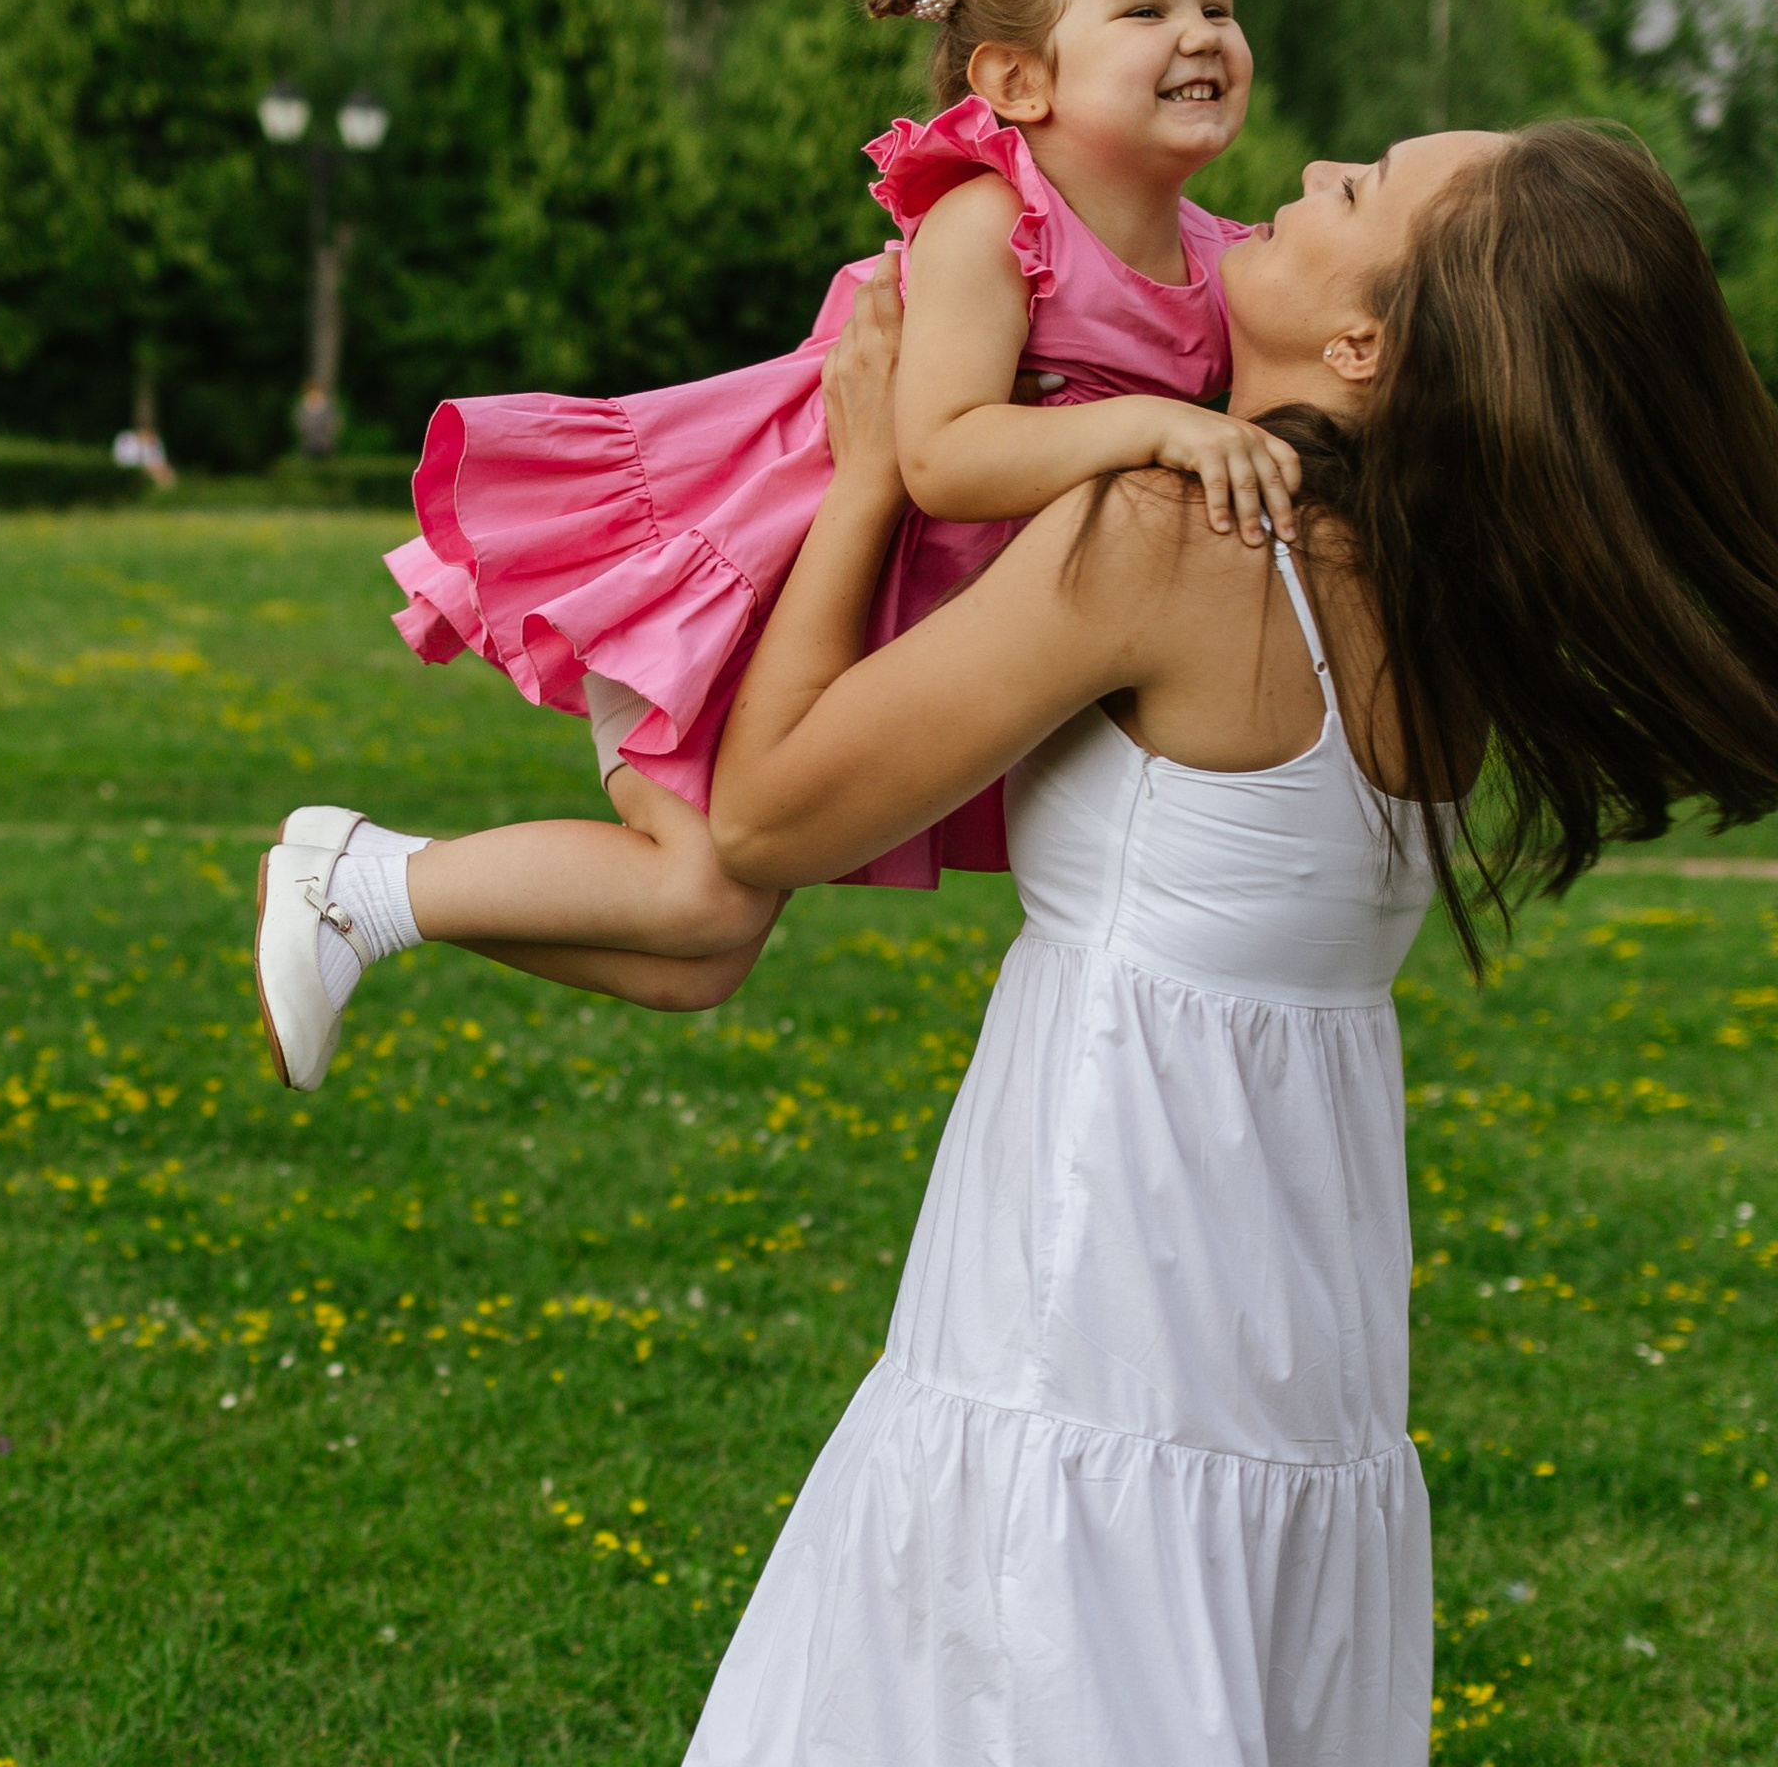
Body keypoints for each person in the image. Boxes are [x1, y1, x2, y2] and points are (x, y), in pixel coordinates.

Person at [683, 122, 1778, 1765]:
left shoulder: (1173, 534)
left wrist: (867, 485)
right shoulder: (1445, 592)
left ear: (1364, 345)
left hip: (1098, 1268)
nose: (1316, 166)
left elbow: (769, 819)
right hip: (1294, 1319)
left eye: (1360, 193)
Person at [258, 0, 1309, 1090]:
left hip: (845, 607)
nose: (1200, 34)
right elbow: (945, 452)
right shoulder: (995, 219)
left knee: (700, 946)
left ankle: (373, 892)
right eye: (1148, 9)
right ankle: (351, 880)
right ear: (1017, 80)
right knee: (694, 900)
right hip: (747, 576)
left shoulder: (1217, 257)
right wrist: (1154, 429)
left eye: (1217, 5)